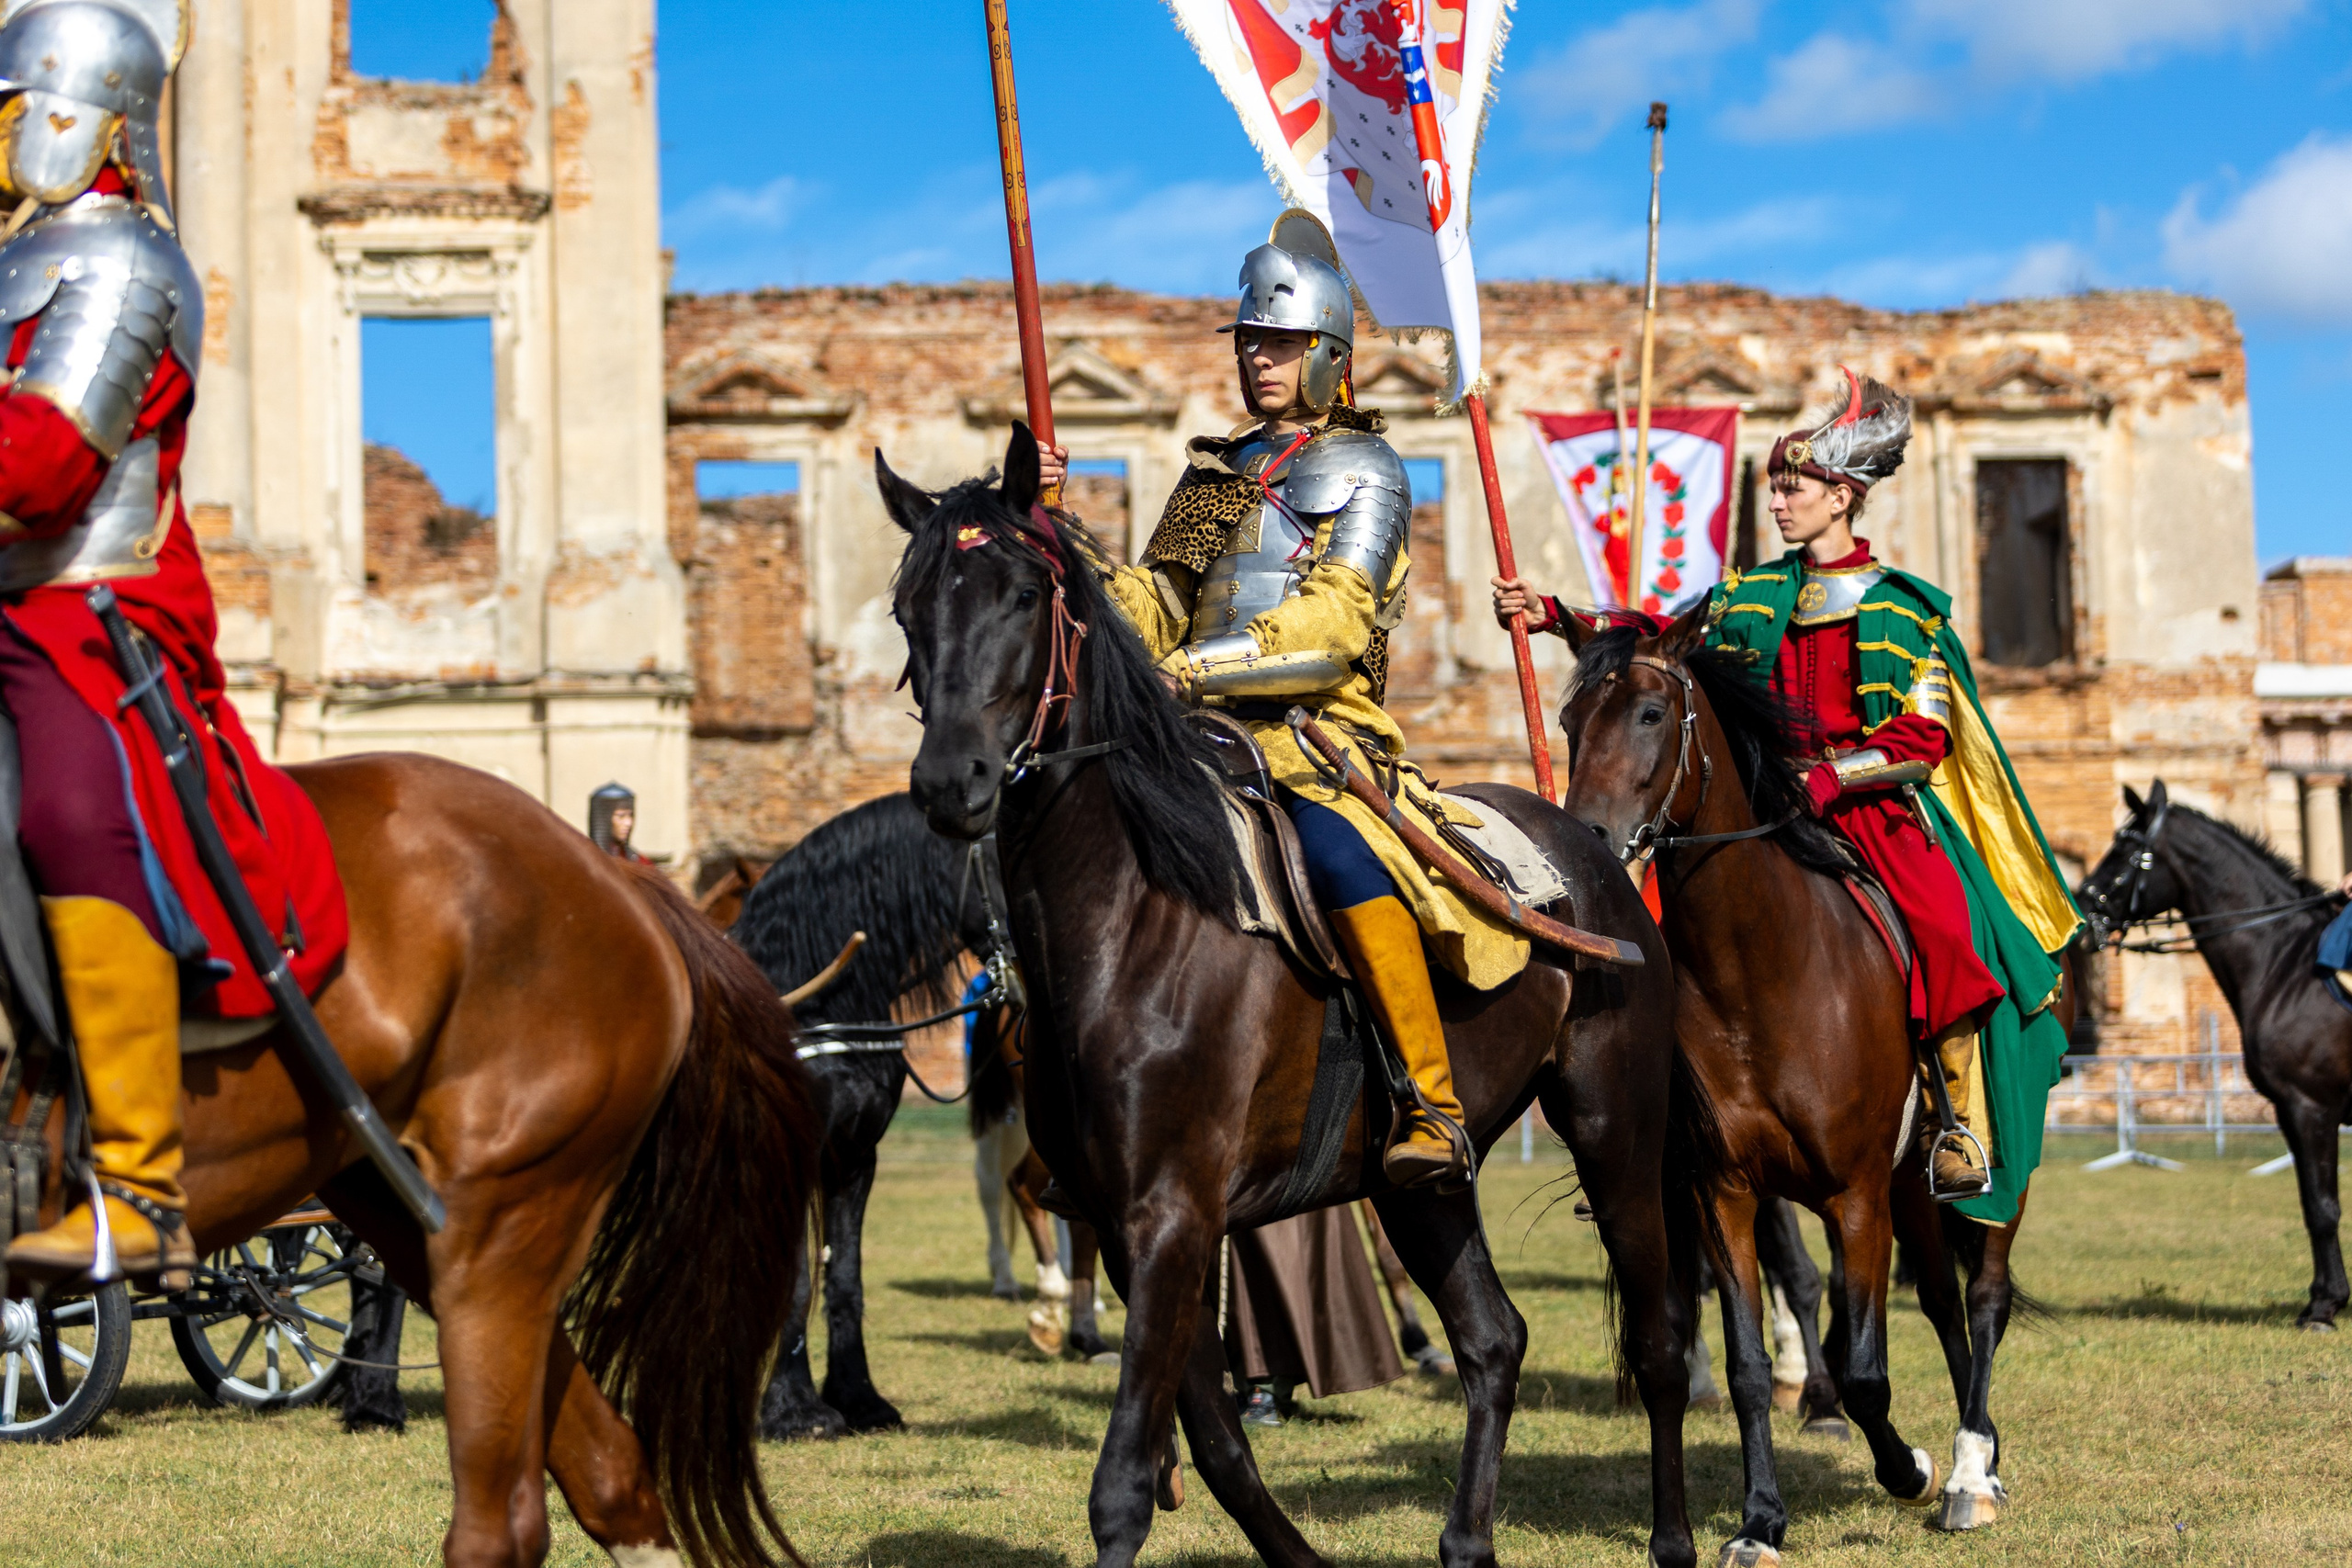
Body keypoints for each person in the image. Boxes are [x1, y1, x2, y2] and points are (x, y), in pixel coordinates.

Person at [1495, 370, 2081, 1211]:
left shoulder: (1909, 611)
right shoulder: (1749, 594)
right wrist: (1556, 612)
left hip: (1869, 805)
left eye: (1793, 486)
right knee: (1651, 930)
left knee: (1950, 931)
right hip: (1762, 802)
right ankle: (1655, 1117)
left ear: (1842, 497)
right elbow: (1656, 643)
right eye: (1775, 483)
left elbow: (1925, 737)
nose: (1776, 500)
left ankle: (1955, 1122)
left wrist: (1833, 775)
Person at [1039, 228, 1531, 1188]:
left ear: (1328, 356)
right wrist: (1071, 547)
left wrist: (1190, 673)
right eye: (1248, 341)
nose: (1257, 360)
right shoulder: (1214, 474)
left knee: (1340, 854)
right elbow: (1155, 605)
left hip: (1314, 736)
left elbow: (1334, 623)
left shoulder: (1368, 470)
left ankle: (1430, 1101)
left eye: (1279, 343)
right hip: (1191, 733)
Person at [1, 0, 347, 1287]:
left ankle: (140, 1178)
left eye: (13, 112)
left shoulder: (130, 267)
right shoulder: (9, 262)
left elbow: (40, 465)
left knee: (70, 810)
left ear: (81, 116)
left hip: (82, 602)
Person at [588, 781, 650, 864]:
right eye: (621, 816)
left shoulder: (640, 863)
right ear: (604, 819)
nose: (628, 823)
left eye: (630, 815)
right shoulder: (587, 862)